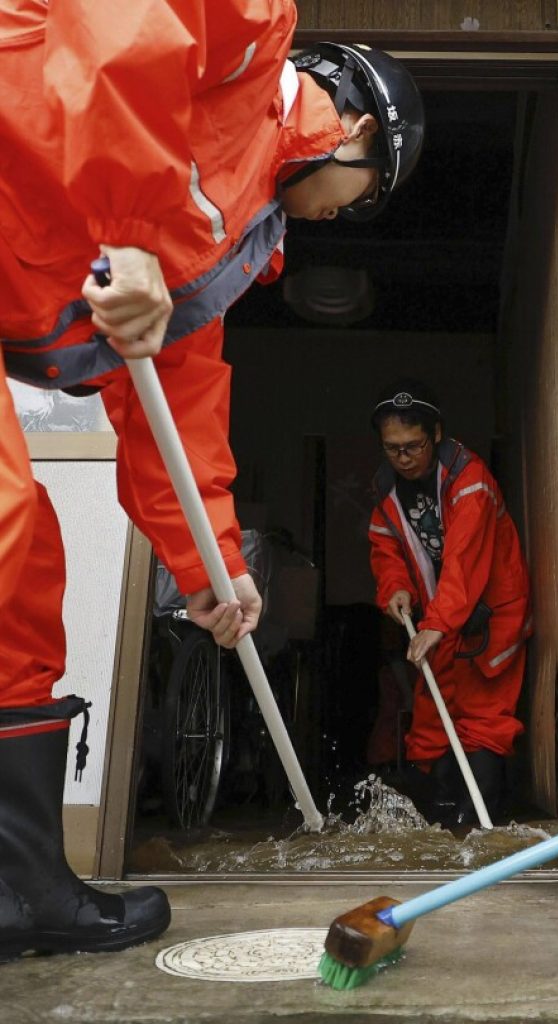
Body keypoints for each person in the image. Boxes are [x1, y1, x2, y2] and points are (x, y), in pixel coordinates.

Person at [0, 1, 424, 961]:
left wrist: (213, 570)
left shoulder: (232, 249)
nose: (340, 216)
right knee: (7, 527)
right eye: (358, 198)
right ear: (356, 134)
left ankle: (17, 886)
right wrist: (133, 225)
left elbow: (176, 414)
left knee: (21, 581)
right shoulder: (251, 31)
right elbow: (112, 23)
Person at [367, 380, 532, 827]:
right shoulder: (387, 492)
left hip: (490, 615)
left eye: (413, 446)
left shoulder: (469, 480)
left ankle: (480, 827)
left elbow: (464, 561)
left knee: (483, 718)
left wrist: (437, 623)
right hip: (441, 619)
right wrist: (394, 589)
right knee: (430, 724)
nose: (404, 458)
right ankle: (441, 825)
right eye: (392, 449)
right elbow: (386, 551)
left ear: (435, 434)